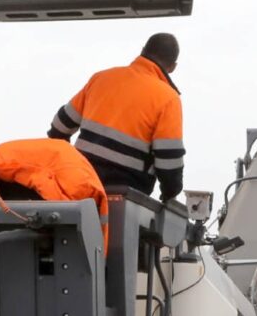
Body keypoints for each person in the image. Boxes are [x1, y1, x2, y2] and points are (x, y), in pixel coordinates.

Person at [48, 33, 185, 202]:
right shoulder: (168, 99)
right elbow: (168, 161)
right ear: (172, 67)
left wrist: (66, 167)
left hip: (80, 183)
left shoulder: (101, 78)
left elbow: (58, 128)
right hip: (125, 196)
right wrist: (170, 194)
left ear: (142, 51)